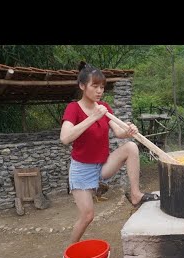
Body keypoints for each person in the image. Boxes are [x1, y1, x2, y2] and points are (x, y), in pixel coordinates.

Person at [60, 62, 159, 244]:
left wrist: (128, 130)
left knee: (131, 147)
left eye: (102, 87)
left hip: (102, 167)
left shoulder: (104, 107)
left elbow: (118, 132)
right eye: (95, 86)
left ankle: (135, 194)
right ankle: (70, 250)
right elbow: (65, 138)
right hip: (81, 170)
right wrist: (93, 117)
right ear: (82, 86)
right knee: (88, 215)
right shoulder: (73, 108)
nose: (99, 91)